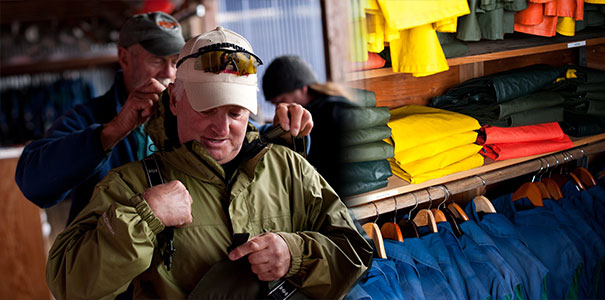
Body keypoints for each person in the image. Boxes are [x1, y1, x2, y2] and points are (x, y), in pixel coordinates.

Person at [46, 27, 372, 299]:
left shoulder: (288, 167)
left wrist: (296, 254)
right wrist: (144, 217)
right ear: (174, 100)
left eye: (235, 113)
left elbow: (356, 253)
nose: (221, 128)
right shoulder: (133, 185)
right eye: (206, 110)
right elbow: (68, 285)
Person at [15, 12, 312, 225]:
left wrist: (283, 132)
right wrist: (113, 130)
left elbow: (235, 138)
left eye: (175, 63)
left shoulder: (192, 105)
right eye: (157, 61)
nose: (168, 74)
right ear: (124, 58)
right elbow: (34, 184)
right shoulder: (90, 116)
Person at [262, 55, 355, 190]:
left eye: (282, 100)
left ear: (303, 88)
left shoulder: (328, 115)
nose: (280, 108)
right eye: (275, 104)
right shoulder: (340, 103)